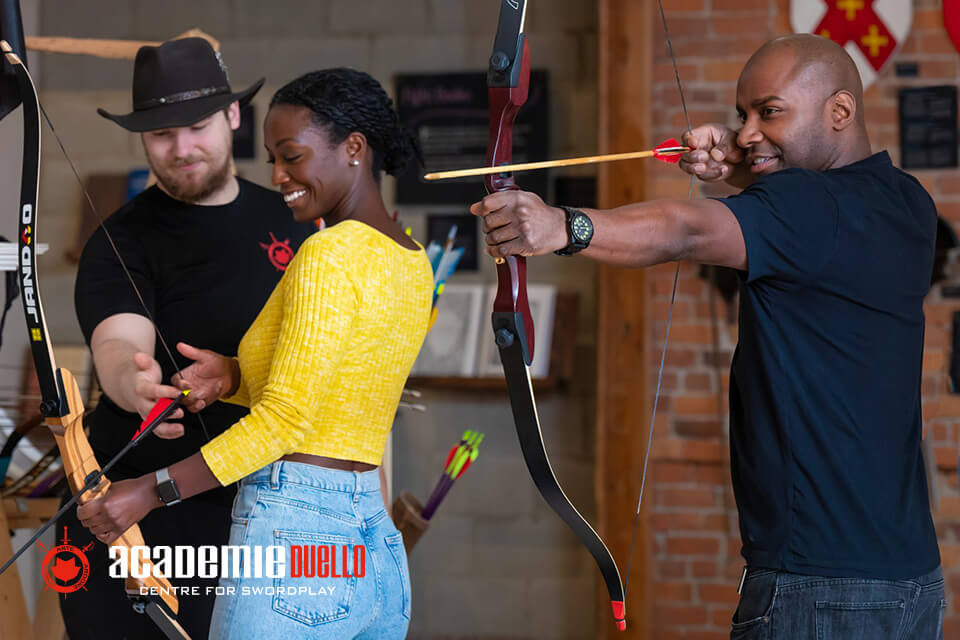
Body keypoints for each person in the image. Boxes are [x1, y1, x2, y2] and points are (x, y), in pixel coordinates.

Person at [470, 34, 944, 639]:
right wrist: (750, 160)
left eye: (769, 112)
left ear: (840, 110)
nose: (746, 131)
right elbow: (806, 209)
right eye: (742, 116)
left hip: (817, 587)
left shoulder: (804, 207)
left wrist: (561, 225)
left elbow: (687, 230)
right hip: (910, 581)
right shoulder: (908, 202)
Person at [76, 68, 433, 640]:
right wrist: (233, 376)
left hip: (294, 530)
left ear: (354, 149)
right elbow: (335, 383)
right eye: (272, 158)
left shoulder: (327, 253)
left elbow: (285, 422)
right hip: (370, 535)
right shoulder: (411, 257)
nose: (278, 176)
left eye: (292, 157)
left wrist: (148, 490)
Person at [64, 37, 313, 640]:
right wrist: (135, 384)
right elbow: (119, 343)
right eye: (160, 135)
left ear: (233, 116)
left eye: (197, 126)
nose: (181, 149)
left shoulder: (296, 220)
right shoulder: (121, 239)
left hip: (270, 509)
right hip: (142, 513)